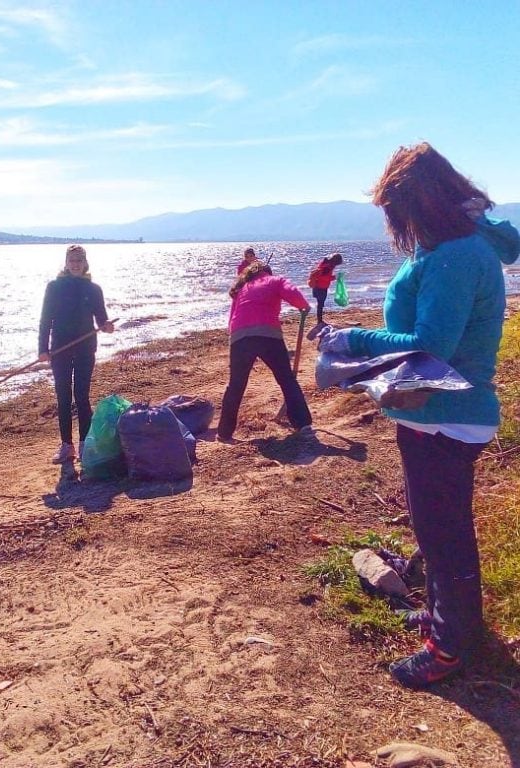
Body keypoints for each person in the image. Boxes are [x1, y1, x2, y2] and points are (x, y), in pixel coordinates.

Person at [318, 142, 519, 689]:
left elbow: (433, 342)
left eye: (398, 212)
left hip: (447, 416)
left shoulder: (455, 254)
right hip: (438, 414)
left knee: (444, 533)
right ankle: (444, 619)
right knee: (436, 529)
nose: (396, 224)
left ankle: (453, 647)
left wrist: (351, 339)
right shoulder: (460, 244)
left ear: (422, 205)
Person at [216, 260, 313, 441]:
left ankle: (223, 433)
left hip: (239, 337)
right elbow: (292, 292)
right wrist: (304, 306)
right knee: (286, 379)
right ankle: (303, 424)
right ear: (267, 272)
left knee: (235, 385)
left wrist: (235, 337)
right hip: (268, 334)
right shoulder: (274, 280)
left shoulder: (242, 288)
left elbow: (232, 318)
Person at [38, 245, 114, 464]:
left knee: (82, 397)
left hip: (85, 349)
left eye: (79, 260)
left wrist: (106, 326)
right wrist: (43, 349)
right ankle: (66, 446)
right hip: (60, 349)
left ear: (85, 262)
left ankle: (85, 445)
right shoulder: (54, 287)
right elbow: (45, 320)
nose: (75, 264)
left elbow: (101, 319)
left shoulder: (94, 289)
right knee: (63, 397)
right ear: (66, 262)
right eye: (72, 260)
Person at [309, 252, 343, 326]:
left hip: (317, 287)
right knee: (320, 305)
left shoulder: (325, 264)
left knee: (320, 304)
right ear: (335, 262)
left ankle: (319, 320)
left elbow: (322, 276)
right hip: (321, 288)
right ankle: (319, 321)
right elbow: (324, 278)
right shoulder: (327, 267)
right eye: (337, 263)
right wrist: (335, 277)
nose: (337, 265)